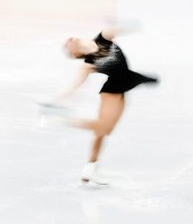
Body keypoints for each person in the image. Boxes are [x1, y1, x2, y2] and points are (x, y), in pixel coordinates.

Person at [56, 26, 159, 185]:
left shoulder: (102, 38)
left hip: (125, 83)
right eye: (67, 44)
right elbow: (75, 86)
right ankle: (64, 121)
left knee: (105, 131)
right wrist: (59, 100)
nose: (69, 40)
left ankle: (90, 169)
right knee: (102, 127)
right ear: (74, 54)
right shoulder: (88, 64)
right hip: (111, 91)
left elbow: (115, 29)